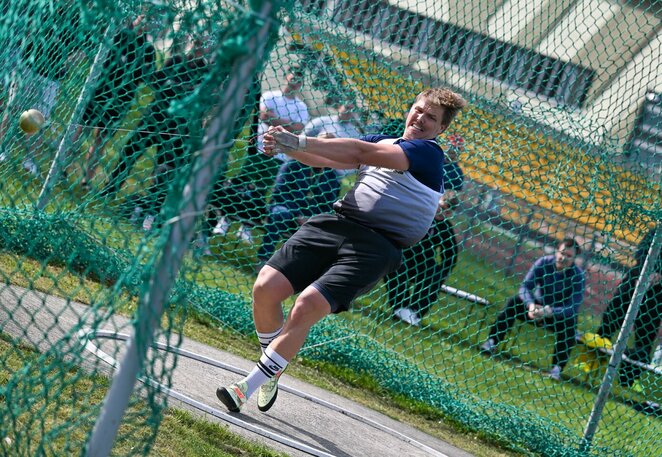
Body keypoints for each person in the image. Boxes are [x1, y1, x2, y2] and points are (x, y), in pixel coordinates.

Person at [215, 87, 467, 413]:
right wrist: (286, 146)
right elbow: (326, 158)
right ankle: (275, 365)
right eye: (419, 110)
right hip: (338, 224)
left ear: (441, 129)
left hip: (377, 246)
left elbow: (359, 152)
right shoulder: (385, 140)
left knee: (306, 306)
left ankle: (245, 387)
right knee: (265, 287)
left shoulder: (428, 153)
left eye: (431, 117)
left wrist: (300, 140)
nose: (421, 118)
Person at [100, 39, 209, 230]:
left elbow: (202, 100)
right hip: (155, 116)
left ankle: (150, 212)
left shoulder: (205, 73)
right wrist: (172, 86)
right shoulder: (175, 61)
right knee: (130, 151)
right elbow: (157, 81)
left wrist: (179, 90)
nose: (197, 48)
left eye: (201, 46)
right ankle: (110, 190)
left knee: (164, 170)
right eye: (195, 43)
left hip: (178, 128)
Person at [213, 64, 310, 243]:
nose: (295, 81)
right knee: (241, 183)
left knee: (261, 190)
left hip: (280, 154)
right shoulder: (270, 95)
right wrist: (286, 125)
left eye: (299, 79)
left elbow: (299, 128)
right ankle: (225, 219)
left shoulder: (301, 106)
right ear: (286, 76)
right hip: (259, 147)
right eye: (293, 77)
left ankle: (246, 226)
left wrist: (277, 121)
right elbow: (264, 116)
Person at [386, 134, 465, 326]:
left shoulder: (444, 227)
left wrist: (443, 272)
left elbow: (451, 254)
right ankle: (399, 306)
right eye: (442, 207)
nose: (442, 212)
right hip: (405, 252)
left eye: (447, 211)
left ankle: (414, 311)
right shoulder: (419, 213)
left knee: (434, 274)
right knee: (397, 265)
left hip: (424, 261)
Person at [68, 14, 156, 188]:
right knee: (80, 129)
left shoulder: (147, 49)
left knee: (101, 139)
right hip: (99, 91)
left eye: (148, 22)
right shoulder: (119, 35)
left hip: (120, 100)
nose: (143, 24)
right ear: (135, 18)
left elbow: (149, 76)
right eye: (141, 19)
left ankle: (87, 180)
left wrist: (140, 69)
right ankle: (62, 167)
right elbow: (99, 56)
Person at [480, 238, 585, 381]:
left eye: (568, 256)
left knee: (571, 323)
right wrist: (530, 305)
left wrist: (550, 311)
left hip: (556, 315)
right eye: (562, 253)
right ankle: (492, 342)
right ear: (556, 251)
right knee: (514, 302)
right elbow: (525, 287)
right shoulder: (543, 262)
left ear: (574, 259)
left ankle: (557, 368)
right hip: (535, 308)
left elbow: (572, 307)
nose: (563, 258)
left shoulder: (578, 276)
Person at [0, 2, 83, 176]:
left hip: (52, 76)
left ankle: (29, 161)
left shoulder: (78, 17)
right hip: (28, 66)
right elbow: (30, 29)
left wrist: (66, 64)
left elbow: (80, 50)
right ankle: (2, 149)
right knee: (13, 107)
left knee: (39, 118)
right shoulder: (46, 7)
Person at [255, 132, 341, 272]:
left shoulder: (332, 176)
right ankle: (264, 258)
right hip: (286, 207)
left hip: (311, 216)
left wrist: (311, 218)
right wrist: (298, 215)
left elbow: (329, 205)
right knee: (281, 215)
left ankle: (297, 270)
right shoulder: (294, 163)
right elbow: (280, 192)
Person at [594, 227, 662, 387]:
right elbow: (642, 250)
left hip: (657, 294)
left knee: (645, 337)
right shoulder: (657, 230)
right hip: (636, 279)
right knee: (611, 319)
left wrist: (659, 274)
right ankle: (591, 362)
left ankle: (628, 379)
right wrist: (647, 271)